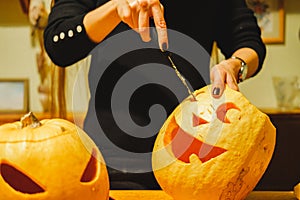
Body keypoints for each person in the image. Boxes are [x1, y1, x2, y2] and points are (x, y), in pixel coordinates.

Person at [44, 0, 266, 189]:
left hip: (196, 158)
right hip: (114, 160)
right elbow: (59, 43)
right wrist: (115, 8)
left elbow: (248, 41)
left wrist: (236, 65)